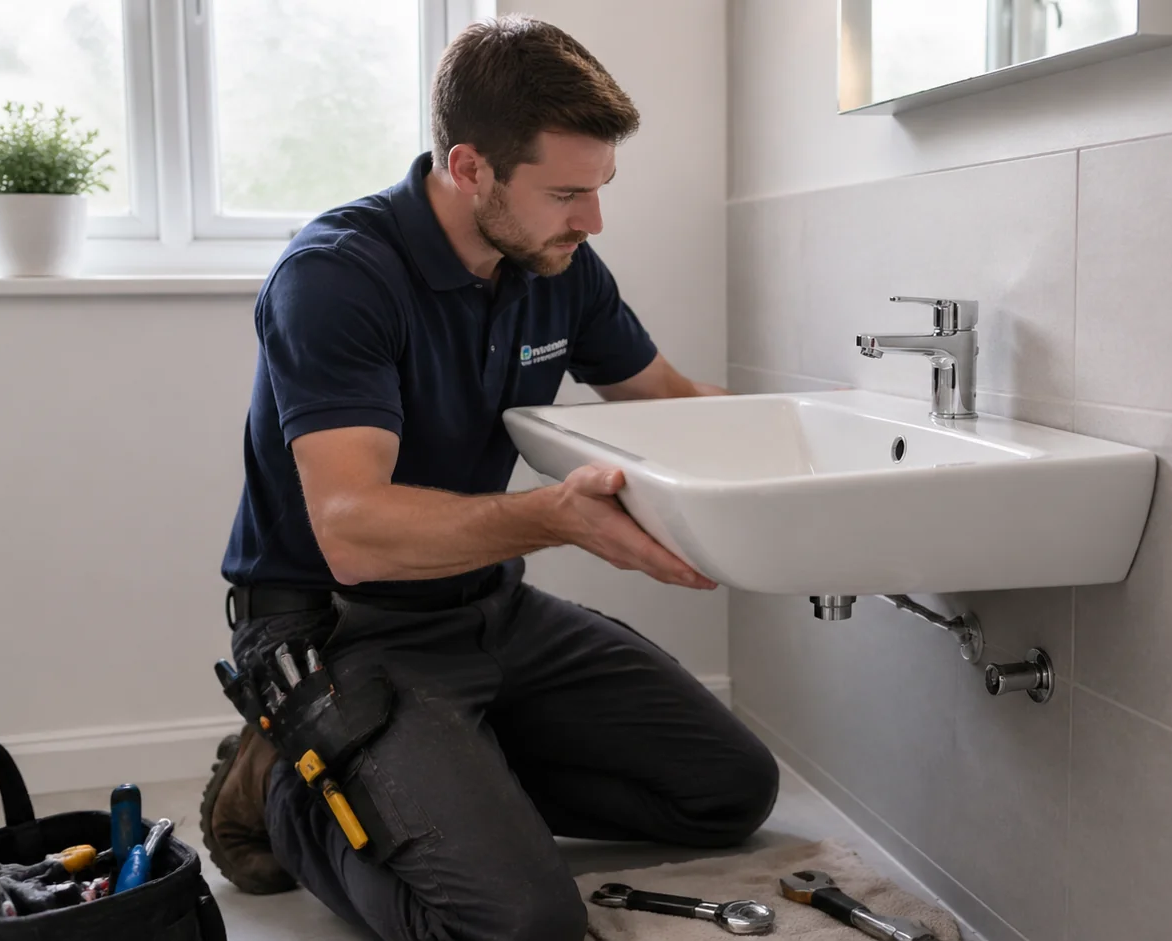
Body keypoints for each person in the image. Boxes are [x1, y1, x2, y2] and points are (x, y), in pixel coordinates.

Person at [200, 15, 779, 941]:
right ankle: (281, 784)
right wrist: (557, 517)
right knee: (515, 926)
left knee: (728, 791)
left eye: (599, 189)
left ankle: (454, 776)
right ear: (470, 168)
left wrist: (809, 446)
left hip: (484, 606)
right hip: (341, 626)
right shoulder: (338, 277)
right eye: (565, 193)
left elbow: (665, 400)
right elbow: (351, 528)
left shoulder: (557, 263)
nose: (592, 221)